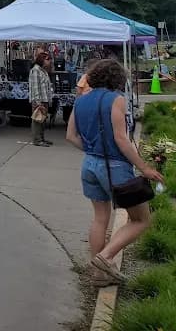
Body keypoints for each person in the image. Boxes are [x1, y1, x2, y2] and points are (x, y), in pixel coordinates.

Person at [66, 59, 164, 286]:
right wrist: (145, 168)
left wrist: (94, 152)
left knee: (100, 217)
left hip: (89, 164)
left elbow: (71, 136)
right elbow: (121, 139)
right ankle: (105, 257)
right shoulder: (116, 99)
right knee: (141, 220)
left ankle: (99, 275)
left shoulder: (80, 101)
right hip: (115, 167)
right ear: (117, 79)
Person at [29, 51, 54, 146]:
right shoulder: (35, 70)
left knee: (42, 120)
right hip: (39, 100)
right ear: (42, 60)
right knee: (37, 120)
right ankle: (37, 139)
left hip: (45, 99)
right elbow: (35, 87)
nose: (49, 61)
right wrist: (38, 102)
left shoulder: (43, 71)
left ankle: (42, 138)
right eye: (47, 59)